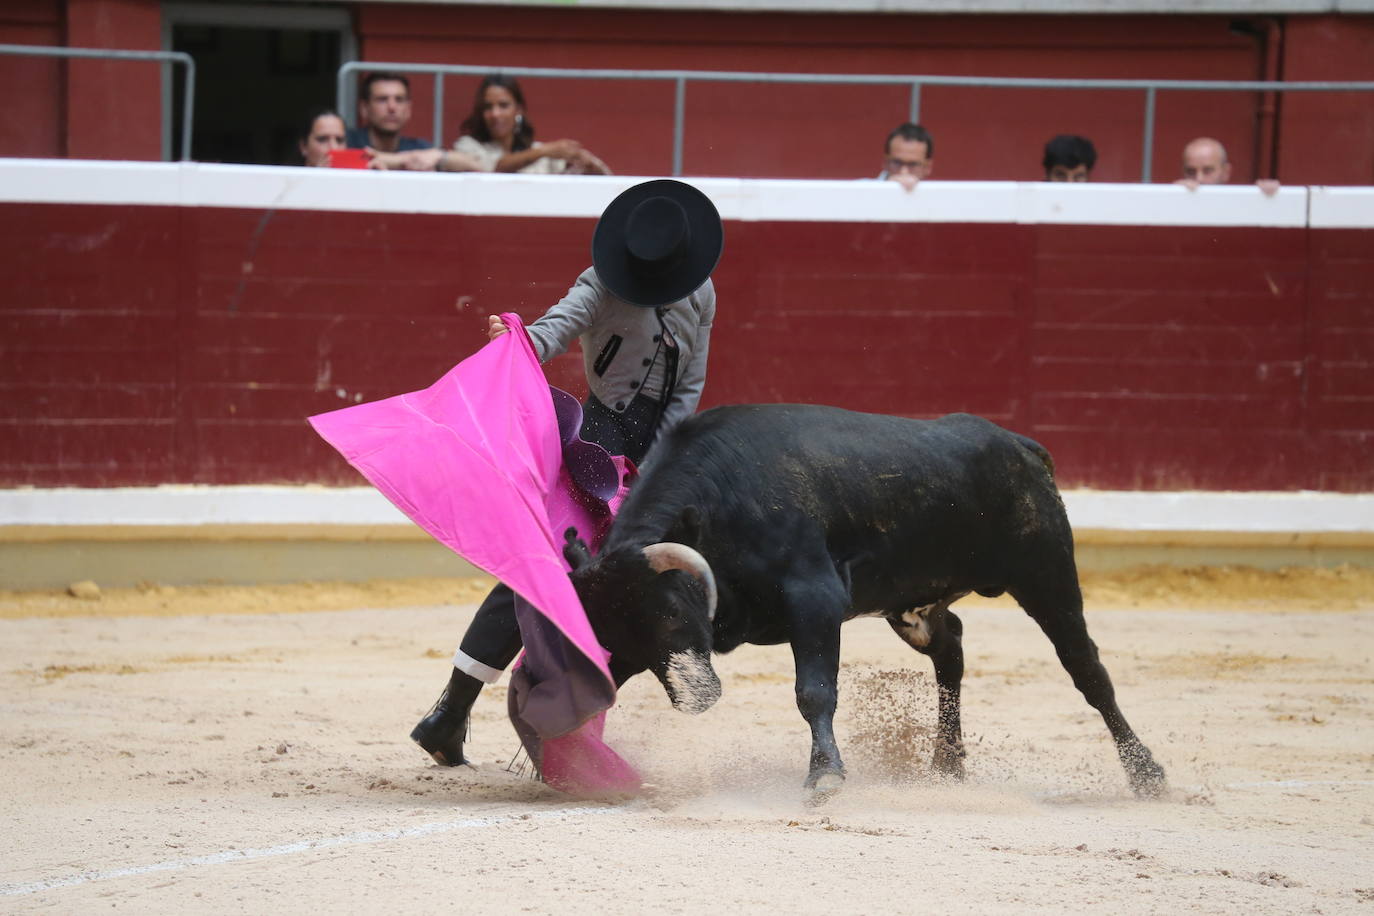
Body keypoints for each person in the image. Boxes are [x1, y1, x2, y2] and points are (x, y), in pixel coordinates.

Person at [410, 178, 723, 767]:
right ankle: (452, 709)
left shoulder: (700, 292)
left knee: (658, 574)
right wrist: (520, 340)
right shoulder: (604, 282)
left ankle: (665, 676)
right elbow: (555, 327)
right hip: (597, 448)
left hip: (663, 453)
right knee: (540, 574)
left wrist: (665, 458)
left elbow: (690, 385)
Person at [451, 74, 612, 175]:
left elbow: (605, 175)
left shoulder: (541, 154)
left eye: (503, 105)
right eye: (488, 107)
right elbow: (494, 168)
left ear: (518, 110)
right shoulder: (467, 147)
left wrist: (588, 165)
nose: (495, 114)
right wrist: (545, 151)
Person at [1176, 137, 1280, 196]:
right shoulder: (1175, 197)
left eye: (1207, 171)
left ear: (1225, 172)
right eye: (1191, 172)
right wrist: (1176, 195)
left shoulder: (1242, 203)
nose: (1199, 179)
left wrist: (1268, 196)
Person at [878, 122, 934, 192]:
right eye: (897, 162)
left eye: (913, 164)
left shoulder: (941, 201)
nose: (904, 172)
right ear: (885, 162)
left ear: (927, 167)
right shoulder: (861, 192)